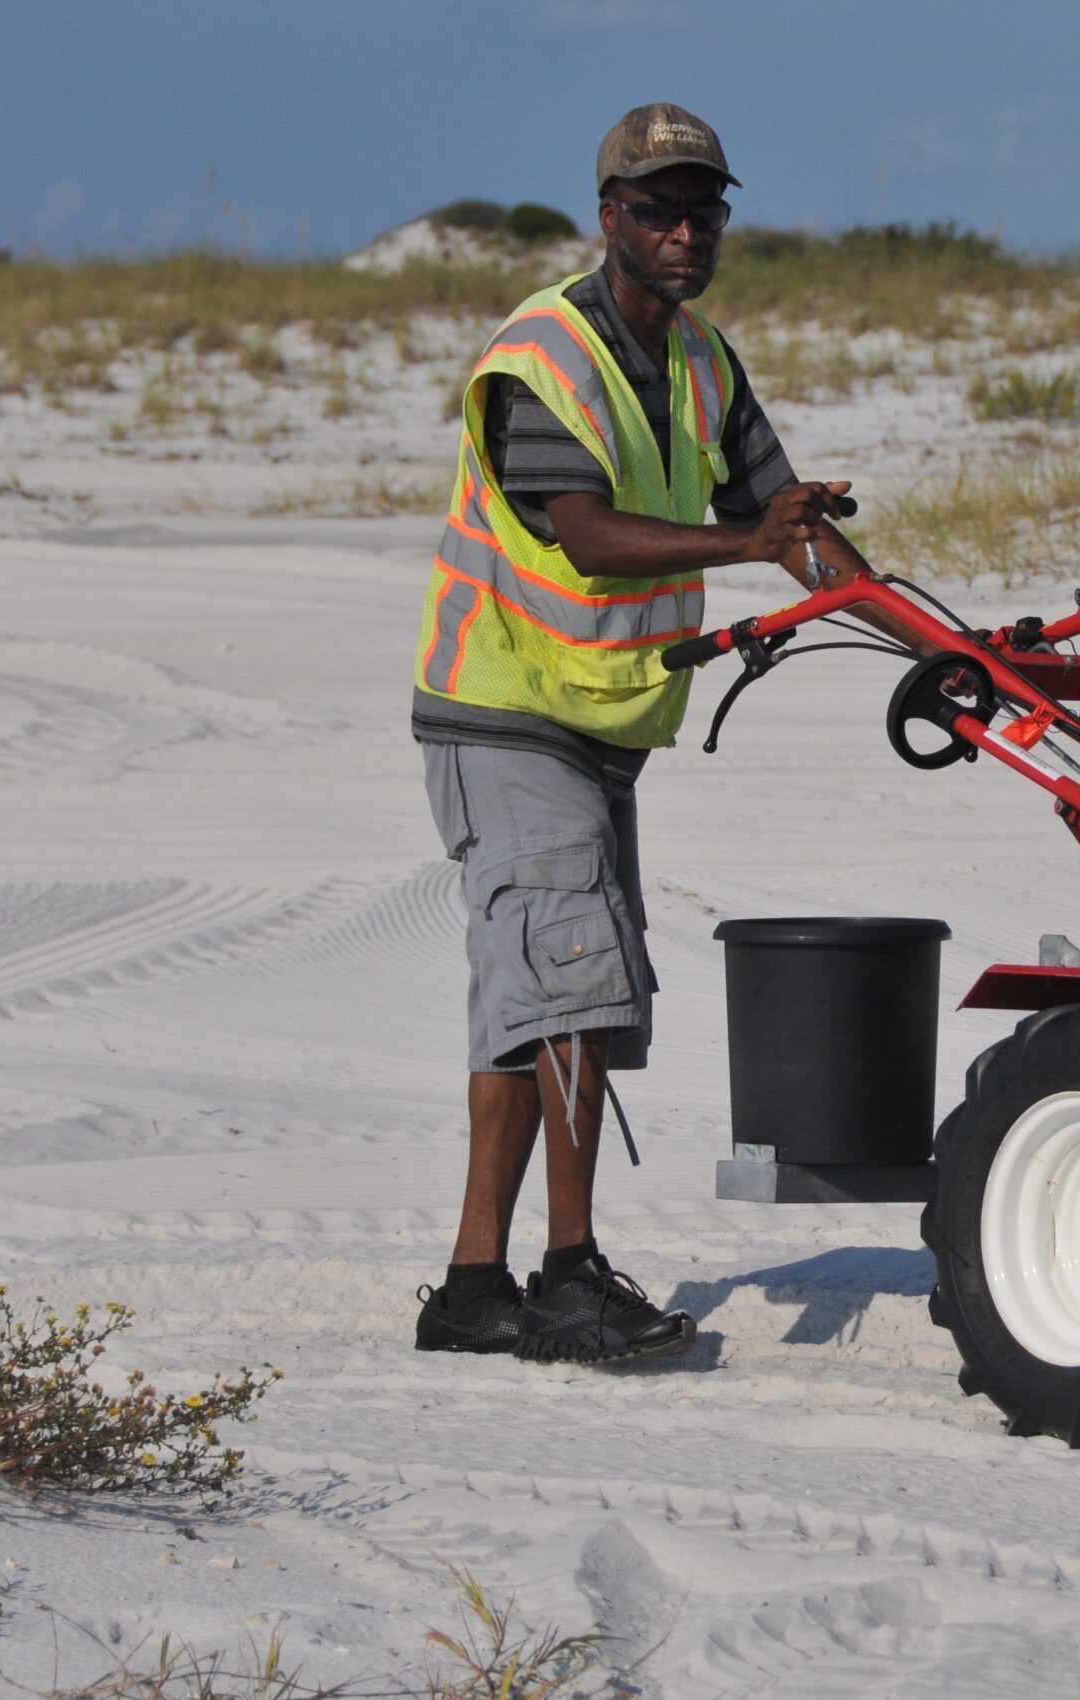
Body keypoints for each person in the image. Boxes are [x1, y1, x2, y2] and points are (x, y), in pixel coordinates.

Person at [409, 103, 874, 1364]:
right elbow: (587, 533)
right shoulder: (544, 356)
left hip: (595, 719)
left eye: (704, 210)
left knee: (532, 1002)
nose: (684, 232)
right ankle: (570, 1277)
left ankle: (471, 1288)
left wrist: (929, 638)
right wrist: (749, 541)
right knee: (575, 985)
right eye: (659, 210)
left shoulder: (705, 363)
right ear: (608, 216)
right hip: (506, 705)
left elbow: (788, 523)